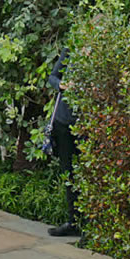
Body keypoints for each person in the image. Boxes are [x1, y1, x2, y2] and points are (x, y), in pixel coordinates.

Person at [41, 48, 80, 237]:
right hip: (64, 122)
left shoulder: (104, 54)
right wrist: (62, 84)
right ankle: (73, 221)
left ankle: (89, 226)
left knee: (88, 176)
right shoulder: (70, 51)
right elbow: (53, 77)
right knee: (69, 173)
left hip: (87, 124)